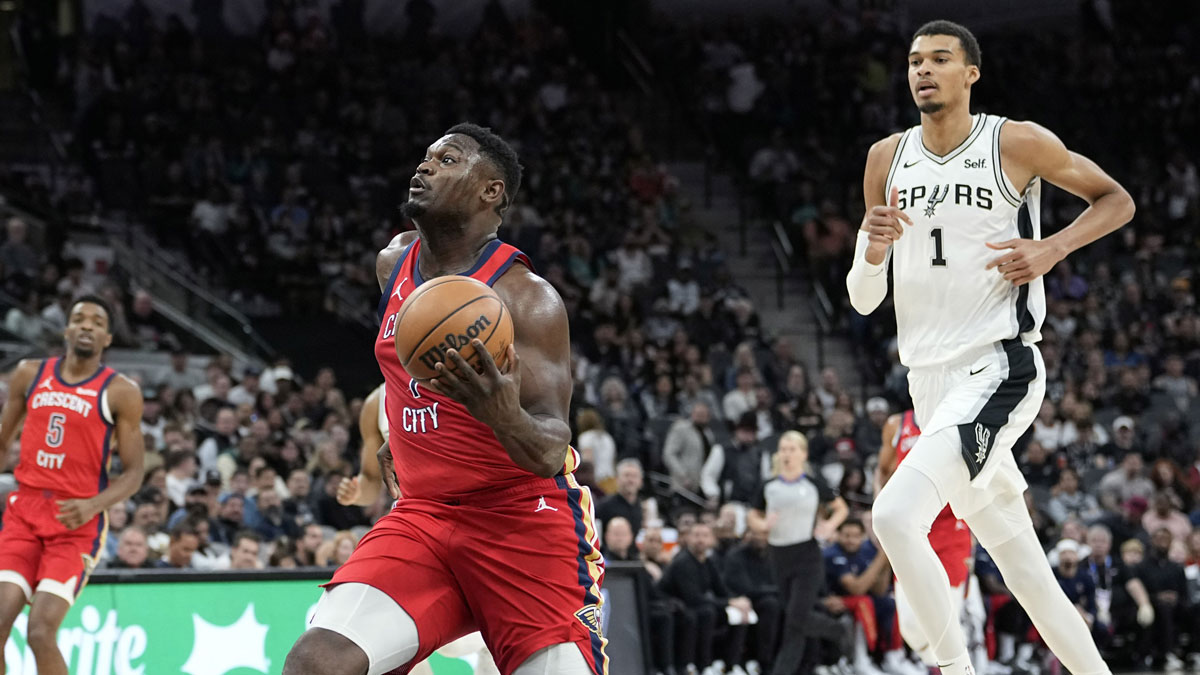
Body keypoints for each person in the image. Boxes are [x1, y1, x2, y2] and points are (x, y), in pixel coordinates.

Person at [848, 20, 1134, 675]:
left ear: (970, 72)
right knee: (1029, 575)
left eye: (940, 59)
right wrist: (871, 250)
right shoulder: (884, 159)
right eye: (915, 60)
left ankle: (954, 669)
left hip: (997, 366)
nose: (923, 69)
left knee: (893, 515)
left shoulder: (1015, 141)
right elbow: (865, 297)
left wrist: (1052, 247)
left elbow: (1116, 200)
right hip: (928, 384)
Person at [286, 124, 607, 675]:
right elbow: (401, 365)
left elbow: (552, 448)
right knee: (316, 664)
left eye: (448, 159)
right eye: (427, 157)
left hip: (523, 521)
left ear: (492, 192)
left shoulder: (527, 299)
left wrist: (503, 417)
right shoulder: (394, 262)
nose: (425, 167)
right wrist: (400, 428)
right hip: (425, 515)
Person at [0, 295, 146, 675]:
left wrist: (93, 505)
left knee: (40, 632)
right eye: (79, 318)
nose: (86, 325)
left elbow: (134, 474)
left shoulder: (121, 392)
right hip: (24, 513)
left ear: (108, 337)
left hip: (75, 522)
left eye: (97, 321)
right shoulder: (28, 374)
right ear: (66, 329)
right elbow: (2, 442)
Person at [337, 382, 497, 675]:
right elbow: (372, 481)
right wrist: (357, 494)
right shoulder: (376, 402)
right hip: (412, 522)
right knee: (394, 631)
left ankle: (492, 640)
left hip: (470, 518)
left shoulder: (464, 380)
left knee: (456, 642)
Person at [875, 409, 973, 667]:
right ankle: (955, 662)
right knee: (909, 625)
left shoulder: (962, 415)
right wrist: (880, 508)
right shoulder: (897, 424)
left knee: (946, 619)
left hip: (951, 527)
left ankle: (960, 666)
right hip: (911, 528)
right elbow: (883, 471)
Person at [747, 431, 848, 675]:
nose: (787, 454)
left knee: (795, 620)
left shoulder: (813, 485)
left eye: (792, 449)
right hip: (778, 557)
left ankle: (784, 670)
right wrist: (762, 525)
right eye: (783, 449)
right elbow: (752, 514)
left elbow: (841, 508)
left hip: (807, 556)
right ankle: (837, 631)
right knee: (795, 622)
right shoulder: (769, 486)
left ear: (803, 454)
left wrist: (829, 526)